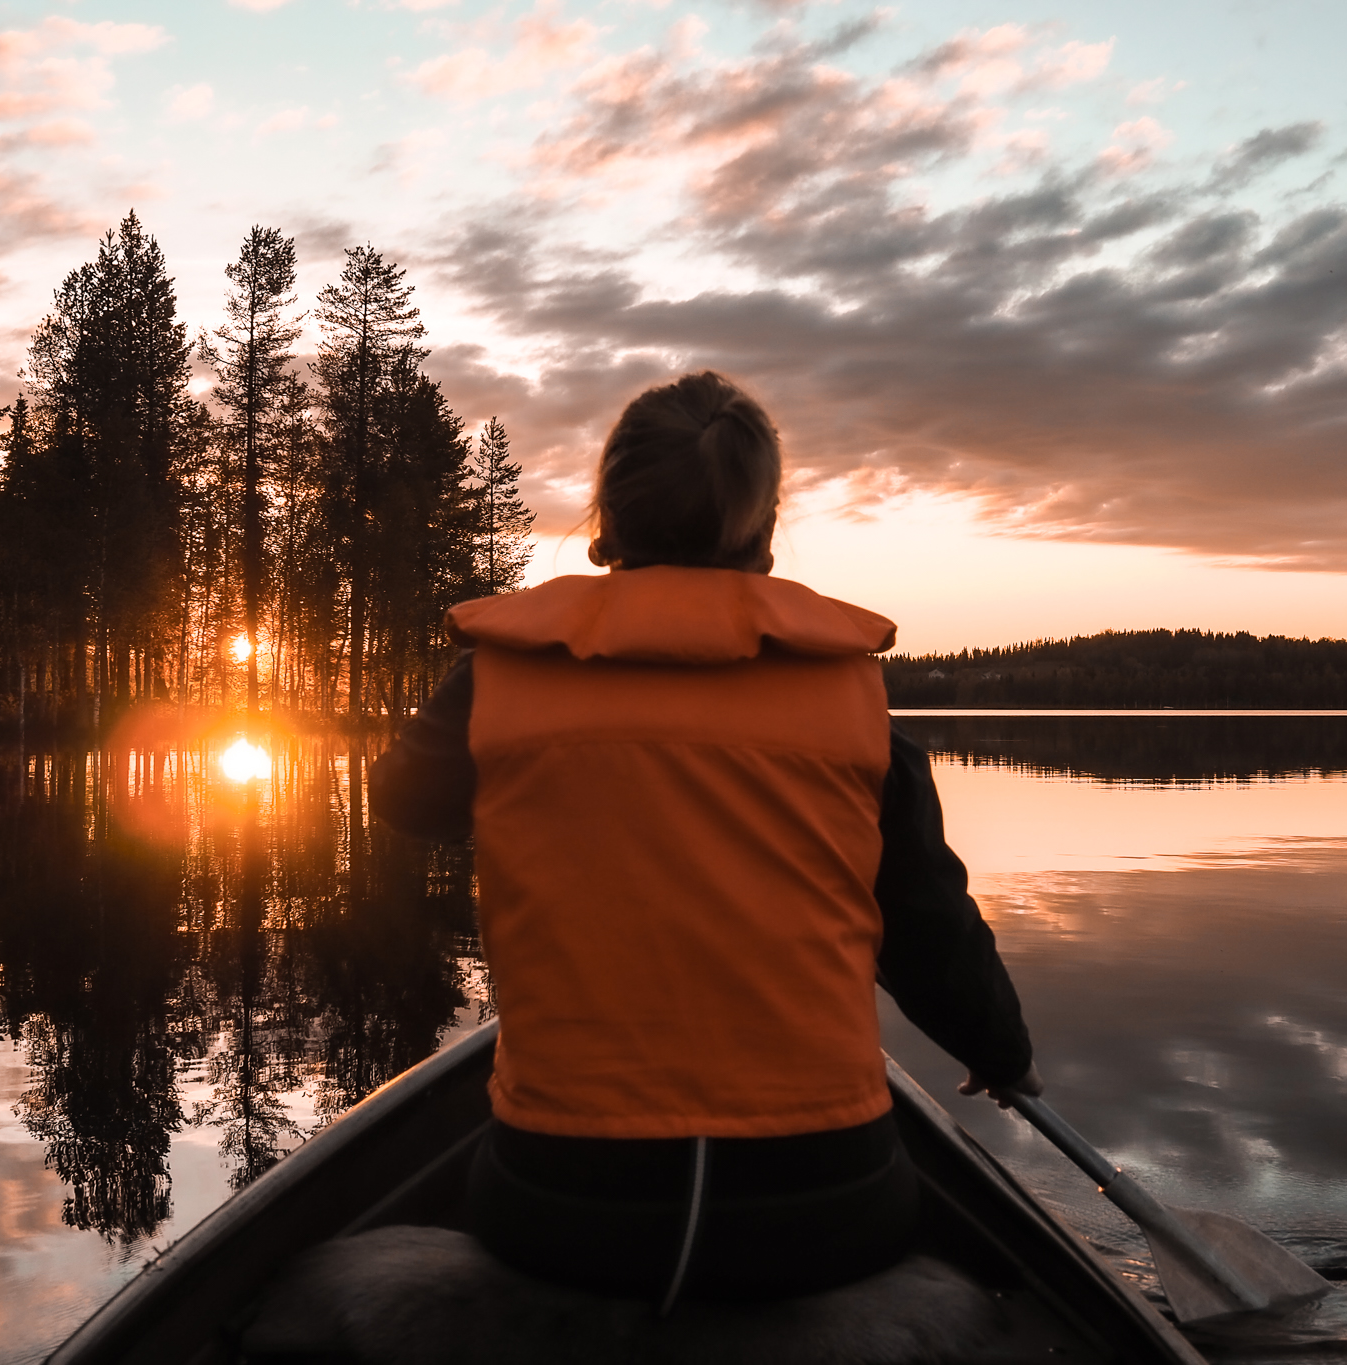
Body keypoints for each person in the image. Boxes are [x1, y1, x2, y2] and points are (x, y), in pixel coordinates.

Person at [370, 370, 1041, 1310]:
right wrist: (1003, 1053)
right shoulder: (858, 708)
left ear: (607, 516)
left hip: (565, 1207)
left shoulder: (497, 680)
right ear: (763, 530)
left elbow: (403, 801)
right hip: (823, 1204)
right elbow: (927, 930)